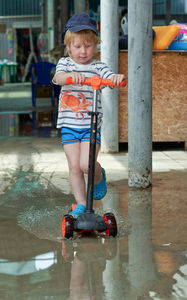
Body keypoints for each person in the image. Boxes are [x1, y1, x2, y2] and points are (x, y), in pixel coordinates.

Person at [53, 13, 125, 218]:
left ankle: (98, 173)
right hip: (68, 124)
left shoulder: (98, 67)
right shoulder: (65, 64)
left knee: (87, 164)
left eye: (88, 46)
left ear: (96, 44)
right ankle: (81, 204)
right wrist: (69, 77)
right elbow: (57, 78)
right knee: (74, 166)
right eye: (77, 46)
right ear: (69, 47)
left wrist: (116, 78)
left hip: (90, 125)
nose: (83, 51)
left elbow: (109, 77)